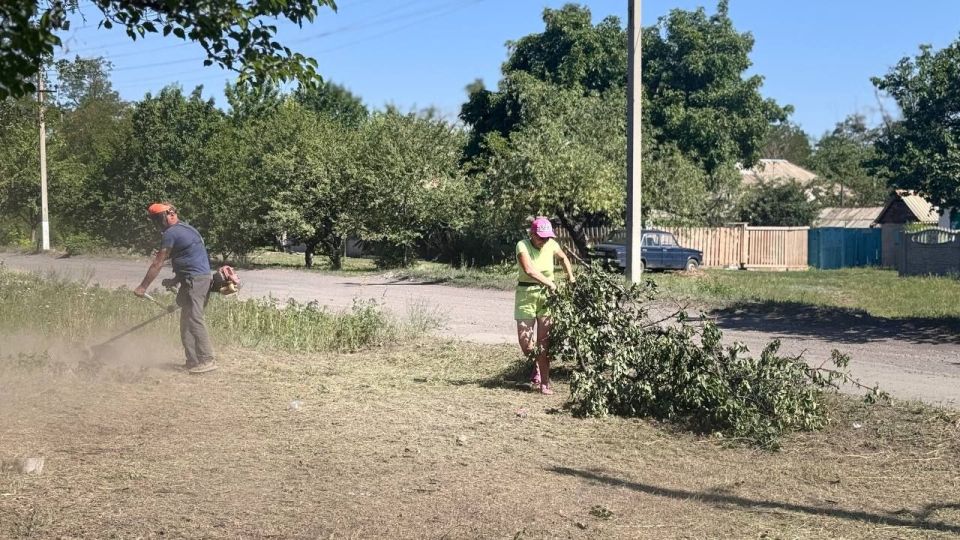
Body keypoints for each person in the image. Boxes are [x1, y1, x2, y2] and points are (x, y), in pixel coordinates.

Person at [135, 203, 217, 374]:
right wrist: (176, 279)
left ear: (168, 215)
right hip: (192, 279)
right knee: (186, 320)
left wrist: (143, 287)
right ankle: (193, 361)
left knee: (194, 317)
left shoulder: (171, 233)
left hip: (196, 280)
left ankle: (207, 359)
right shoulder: (185, 228)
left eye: (157, 219)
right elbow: (189, 256)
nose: (157, 223)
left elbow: (158, 263)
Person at [515, 216, 575, 395]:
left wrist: (570, 277)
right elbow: (529, 270)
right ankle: (536, 365)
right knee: (526, 342)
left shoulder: (551, 245)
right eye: (541, 237)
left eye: (547, 237)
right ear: (532, 234)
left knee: (544, 342)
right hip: (526, 294)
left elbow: (564, 258)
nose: (544, 240)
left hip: (548, 297)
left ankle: (544, 383)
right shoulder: (522, 245)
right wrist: (549, 283)